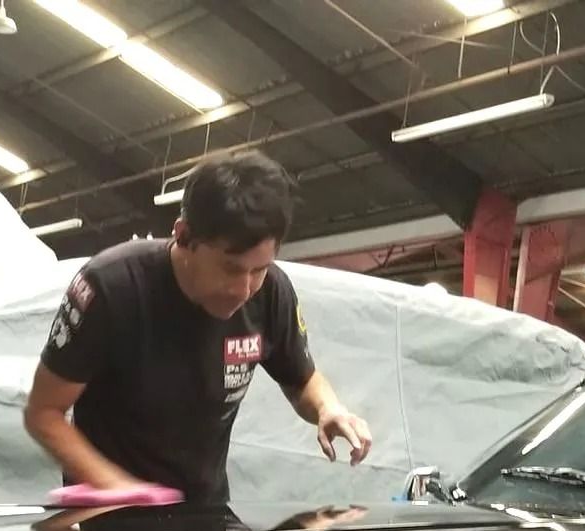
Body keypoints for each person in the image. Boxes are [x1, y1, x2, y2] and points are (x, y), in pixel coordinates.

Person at [23, 151, 372, 507]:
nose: (244, 289)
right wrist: (113, 485)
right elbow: (43, 413)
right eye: (230, 269)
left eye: (259, 269)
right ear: (184, 235)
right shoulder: (110, 288)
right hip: (106, 520)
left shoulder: (270, 293)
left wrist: (328, 408)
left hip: (204, 514)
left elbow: (301, 378)